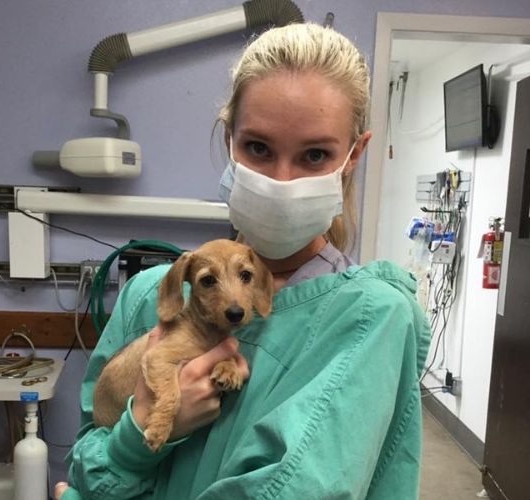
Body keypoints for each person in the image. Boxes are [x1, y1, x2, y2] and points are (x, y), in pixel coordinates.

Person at [58, 22, 430, 500]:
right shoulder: (150, 295)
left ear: (354, 155)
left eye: (314, 155)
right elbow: (90, 451)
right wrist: (139, 435)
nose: (281, 179)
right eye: (258, 148)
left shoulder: (371, 321)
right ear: (229, 139)